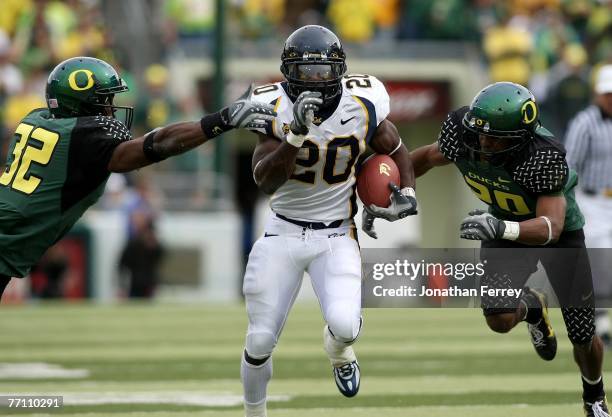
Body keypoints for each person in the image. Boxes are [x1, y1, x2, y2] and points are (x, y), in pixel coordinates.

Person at [241, 25, 417, 417]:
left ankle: (339, 351)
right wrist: (295, 136)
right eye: (307, 73)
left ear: (340, 70)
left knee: (345, 325)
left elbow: (396, 147)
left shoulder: (362, 102)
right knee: (259, 341)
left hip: (337, 232)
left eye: (323, 72)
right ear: (288, 73)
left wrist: (407, 192)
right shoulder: (271, 107)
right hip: (282, 231)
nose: (316, 82)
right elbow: (265, 181)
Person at [405, 81, 609, 417]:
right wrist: (395, 192)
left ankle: (594, 397)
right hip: (501, 228)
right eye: (481, 133)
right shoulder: (465, 136)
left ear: (521, 135)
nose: (485, 142)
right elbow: (425, 157)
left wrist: (503, 227)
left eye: (496, 136)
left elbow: (551, 227)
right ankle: (531, 307)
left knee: (583, 334)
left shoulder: (542, 155)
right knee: (498, 319)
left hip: (557, 236)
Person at [0, 56, 276, 301]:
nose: (111, 109)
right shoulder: (83, 136)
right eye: (104, 101)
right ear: (80, 104)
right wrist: (223, 119)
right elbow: (155, 146)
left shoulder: (36, 118)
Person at [565, 64, 612, 348]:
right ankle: (600, 321)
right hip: (592, 200)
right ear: (598, 94)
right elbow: (570, 167)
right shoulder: (584, 123)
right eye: (607, 93)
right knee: (601, 261)